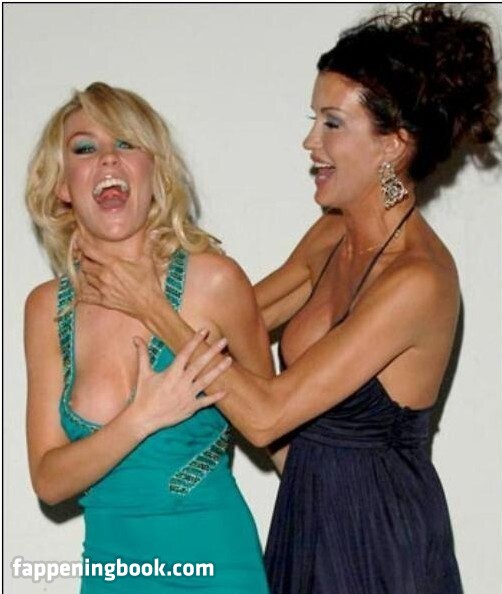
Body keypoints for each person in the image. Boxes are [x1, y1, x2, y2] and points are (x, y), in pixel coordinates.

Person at [76, 5, 499, 593]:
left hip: (380, 542)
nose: (310, 141)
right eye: (313, 120)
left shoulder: (418, 280)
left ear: (393, 145)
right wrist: (139, 258)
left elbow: (267, 415)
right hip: (306, 521)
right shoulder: (331, 236)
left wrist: (151, 304)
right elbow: (226, 318)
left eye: (332, 123)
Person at [24, 82, 274, 593]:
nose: (108, 159)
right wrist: (142, 418)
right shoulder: (47, 308)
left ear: (154, 173)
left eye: (127, 143)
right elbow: (49, 480)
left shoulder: (215, 282)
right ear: (63, 186)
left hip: (218, 569)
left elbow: (273, 426)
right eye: (85, 148)